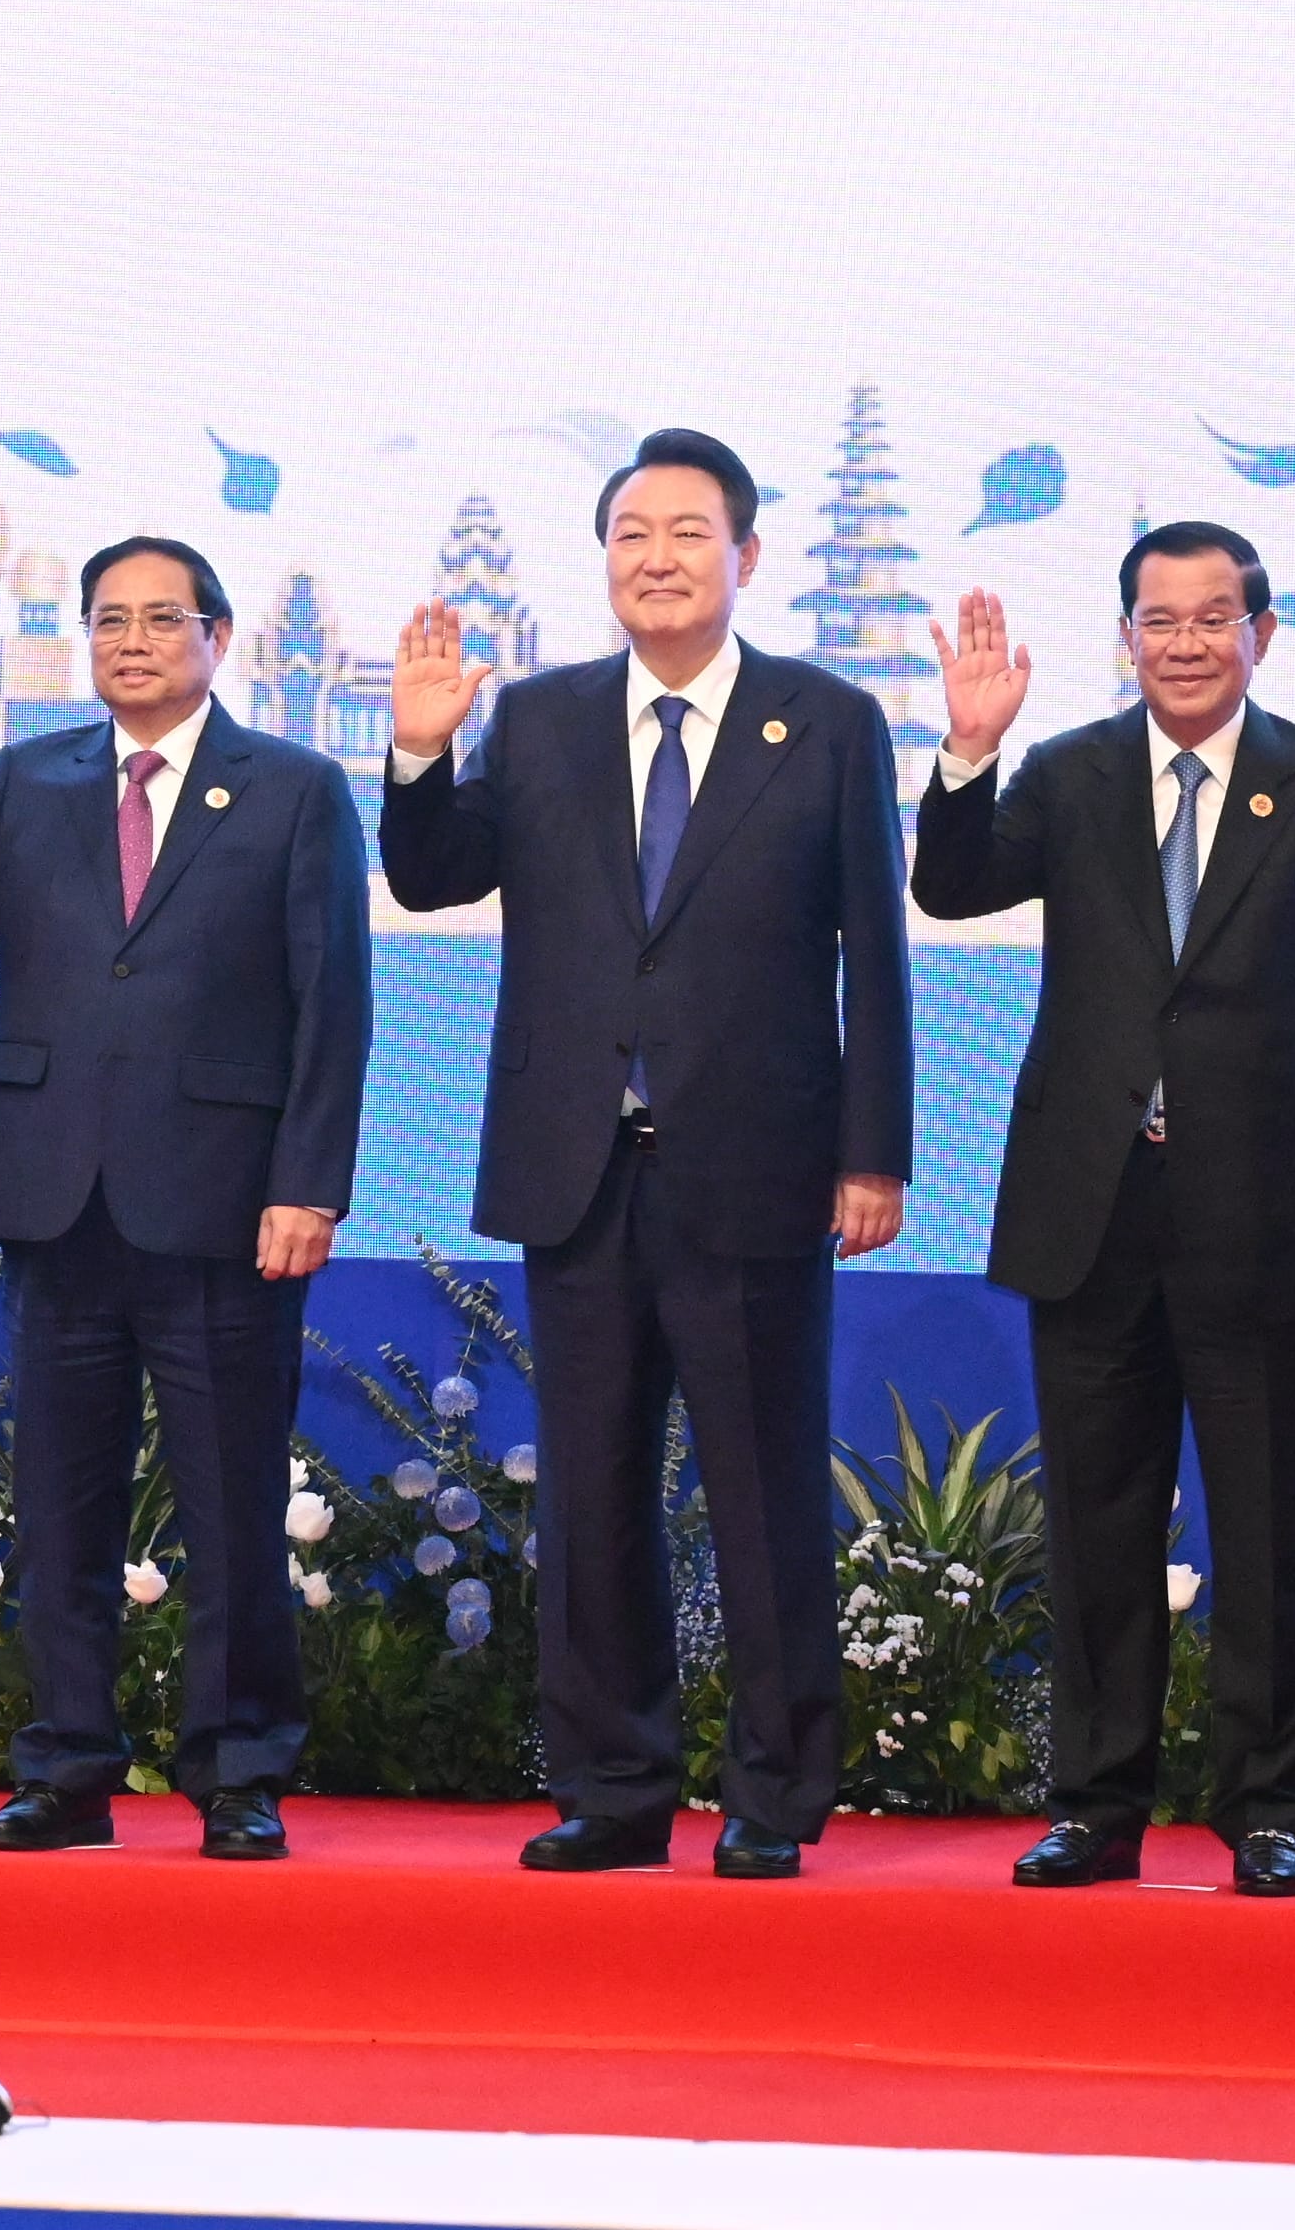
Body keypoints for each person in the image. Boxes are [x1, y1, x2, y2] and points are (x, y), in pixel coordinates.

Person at [382, 427, 908, 1879]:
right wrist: (421, 752)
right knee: (596, 1490)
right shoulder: (542, 718)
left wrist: (875, 1153)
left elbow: (878, 945)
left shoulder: (828, 720)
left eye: (688, 532)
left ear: (747, 556)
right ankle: (612, 1785)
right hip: (580, 1165)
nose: (658, 557)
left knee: (761, 1487)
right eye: (631, 533)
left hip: (760, 1165)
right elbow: (432, 878)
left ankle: (775, 1794)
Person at [0, 533, 368, 1860]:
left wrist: (307, 1183)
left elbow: (333, 1009)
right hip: (56, 1197)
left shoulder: (296, 789)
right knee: (61, 1506)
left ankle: (238, 1770)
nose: (132, 640)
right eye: (108, 620)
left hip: (223, 1203)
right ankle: (68, 1767)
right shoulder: (31, 780)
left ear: (217, 636)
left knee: (231, 1503)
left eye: (161, 618)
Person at [916, 523, 1295, 1901]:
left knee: (1261, 1533)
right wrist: (966, 753)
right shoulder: (1068, 776)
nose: (1185, 643)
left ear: (1262, 632)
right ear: (1124, 636)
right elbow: (949, 887)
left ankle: (1266, 1810)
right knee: (1099, 1527)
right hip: (1095, 1210)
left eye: (1212, 618)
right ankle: (1097, 1806)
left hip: (1265, 1211)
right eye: (1158, 620)